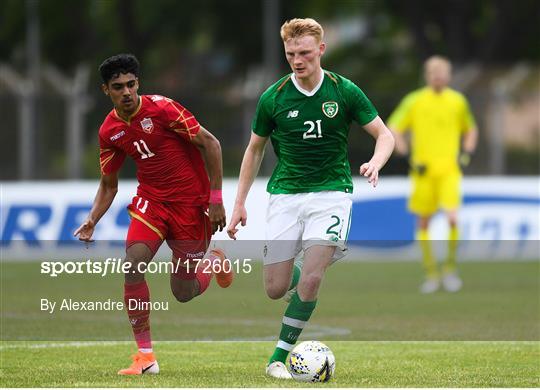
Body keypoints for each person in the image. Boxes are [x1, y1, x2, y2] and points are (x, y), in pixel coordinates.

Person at [227, 18, 394, 379]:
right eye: (291, 54)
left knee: (313, 278)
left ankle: (277, 358)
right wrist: (239, 203)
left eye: (304, 52)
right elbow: (254, 151)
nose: (297, 60)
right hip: (285, 195)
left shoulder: (343, 90)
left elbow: (384, 135)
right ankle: (301, 280)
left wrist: (376, 162)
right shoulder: (273, 98)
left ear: (321, 49)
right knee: (275, 288)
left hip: (332, 193)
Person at [74, 54, 233, 375]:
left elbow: (211, 144)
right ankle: (146, 357)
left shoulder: (163, 109)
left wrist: (216, 200)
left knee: (182, 292)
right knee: (132, 265)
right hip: (152, 203)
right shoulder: (109, 131)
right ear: (106, 90)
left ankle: (214, 260)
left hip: (191, 206)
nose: (127, 92)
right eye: (118, 87)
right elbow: (108, 184)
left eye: (131, 84)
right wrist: (93, 218)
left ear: (138, 84)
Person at [387, 55, 478, 294]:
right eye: (433, 73)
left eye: (442, 73)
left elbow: (470, 130)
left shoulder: (457, 101)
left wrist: (465, 154)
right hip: (423, 172)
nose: (438, 77)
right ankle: (431, 272)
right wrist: (405, 154)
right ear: (427, 76)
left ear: (448, 76)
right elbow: (394, 128)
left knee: (452, 218)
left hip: (449, 170)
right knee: (423, 221)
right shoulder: (414, 101)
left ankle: (449, 270)